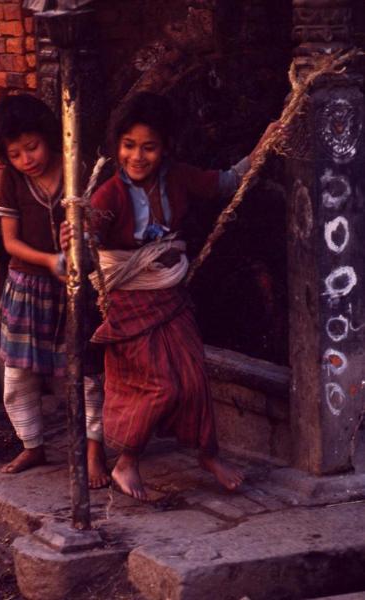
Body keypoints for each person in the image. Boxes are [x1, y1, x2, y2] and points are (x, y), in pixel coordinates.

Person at [61, 91, 271, 501]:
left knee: (193, 375)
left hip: (170, 294)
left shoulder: (177, 177)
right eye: (129, 146)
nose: (137, 156)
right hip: (128, 300)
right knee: (161, 385)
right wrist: (72, 235)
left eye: (149, 147)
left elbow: (225, 183)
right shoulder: (108, 196)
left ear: (165, 149)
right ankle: (127, 461)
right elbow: (88, 236)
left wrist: (263, 146)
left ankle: (208, 454)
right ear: (118, 146)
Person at [0, 93, 109, 488]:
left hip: (80, 290)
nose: (26, 160)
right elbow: (10, 243)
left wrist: (84, 233)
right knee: (18, 376)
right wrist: (50, 260)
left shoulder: (80, 169)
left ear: (49, 136)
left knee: (89, 374)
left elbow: (106, 226)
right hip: (27, 286)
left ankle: (94, 451)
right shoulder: (13, 180)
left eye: (31, 147)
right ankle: (32, 444)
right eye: (15, 154)